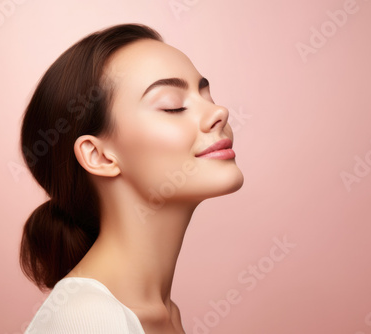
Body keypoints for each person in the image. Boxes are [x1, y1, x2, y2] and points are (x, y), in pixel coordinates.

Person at [20, 23, 244, 334]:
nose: (218, 112)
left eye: (205, 94)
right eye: (173, 106)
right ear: (99, 156)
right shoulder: (87, 319)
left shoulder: (164, 315)